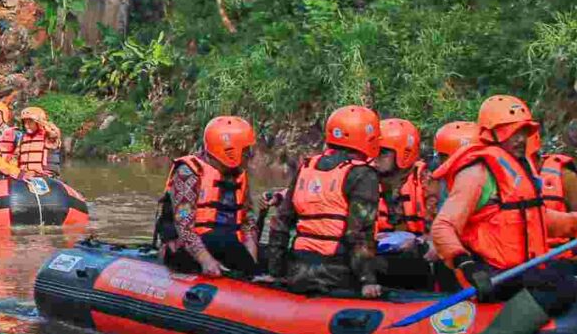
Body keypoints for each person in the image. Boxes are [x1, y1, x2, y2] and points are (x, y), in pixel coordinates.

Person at [430, 95, 577, 334]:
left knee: (563, 274)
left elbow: (538, 218)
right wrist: (466, 264)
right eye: (510, 131)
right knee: (560, 282)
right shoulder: (477, 173)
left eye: (523, 131)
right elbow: (442, 227)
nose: (520, 139)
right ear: (490, 133)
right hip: (488, 274)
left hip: (517, 270)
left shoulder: (519, 170)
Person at [277, 104, 385, 298]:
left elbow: (281, 222)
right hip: (336, 275)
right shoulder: (363, 174)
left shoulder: (307, 167)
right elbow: (358, 233)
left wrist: (275, 271)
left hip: (298, 272)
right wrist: (367, 280)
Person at [157, 115, 257, 278]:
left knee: (235, 246)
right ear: (229, 151)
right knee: (222, 241)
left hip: (228, 246)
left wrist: (252, 258)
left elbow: (247, 220)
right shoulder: (188, 172)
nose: (250, 155)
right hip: (189, 249)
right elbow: (184, 226)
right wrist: (206, 260)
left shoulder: (239, 175)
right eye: (246, 151)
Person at [376, 119, 437, 288]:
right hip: (382, 254)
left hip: (421, 256)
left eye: (383, 153)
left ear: (404, 153)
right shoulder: (367, 180)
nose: (375, 159)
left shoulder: (426, 180)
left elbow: (441, 229)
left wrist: (419, 242)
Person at [8, 106, 63, 179]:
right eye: (24, 122)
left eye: (30, 122)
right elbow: (15, 158)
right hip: (24, 176)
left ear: (39, 123)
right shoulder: (22, 138)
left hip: (45, 177)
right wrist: (11, 170)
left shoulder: (48, 136)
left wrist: (44, 123)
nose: (26, 125)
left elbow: (54, 133)